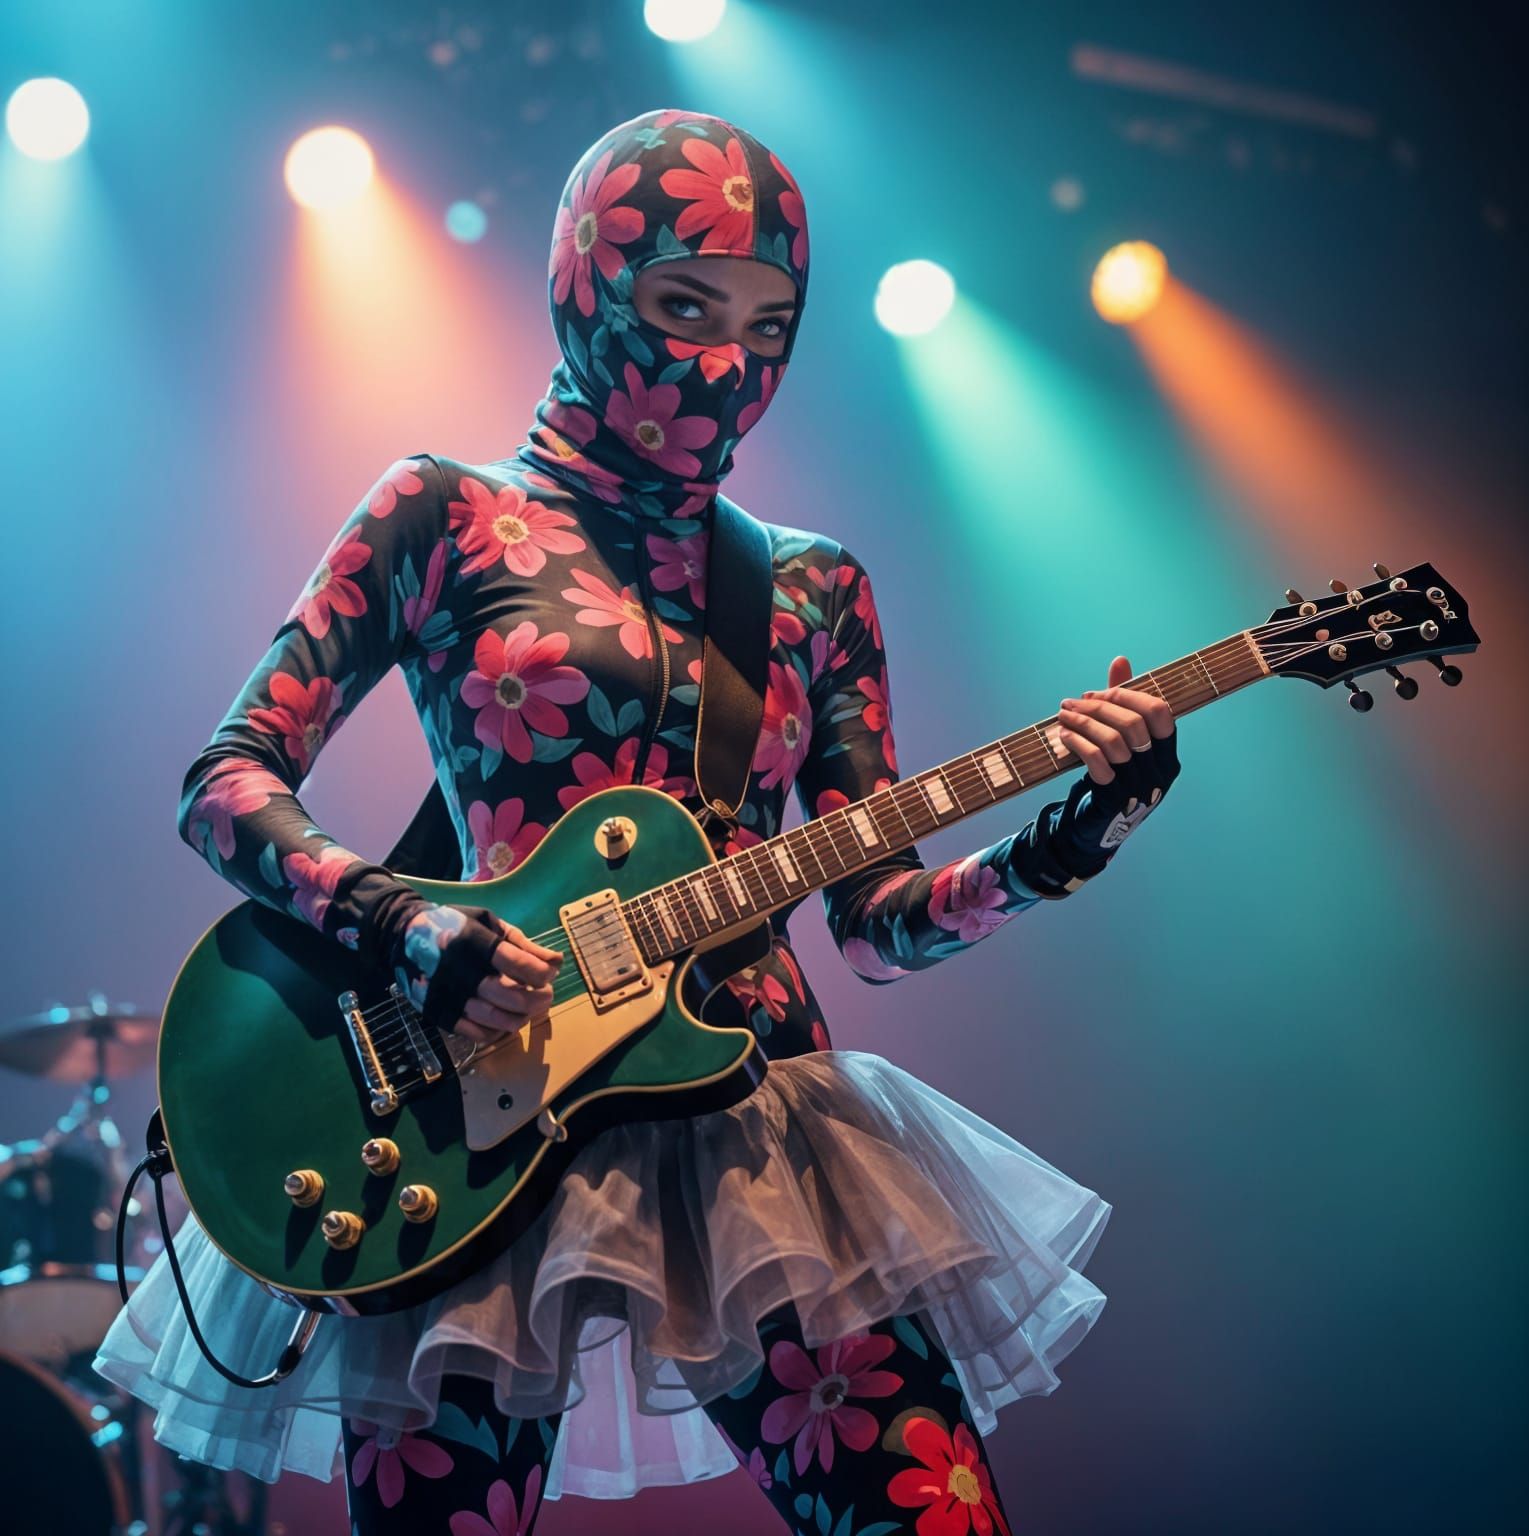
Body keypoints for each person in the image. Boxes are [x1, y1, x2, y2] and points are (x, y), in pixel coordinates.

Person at [95, 108, 1180, 1534]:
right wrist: (406, 923)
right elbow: (226, 777)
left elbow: (876, 927)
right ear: (587, 282)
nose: (724, 361)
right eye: (681, 303)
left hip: (755, 1121)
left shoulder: (813, 590)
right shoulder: (444, 516)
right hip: (469, 1113)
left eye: (766, 321)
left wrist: (1067, 842)